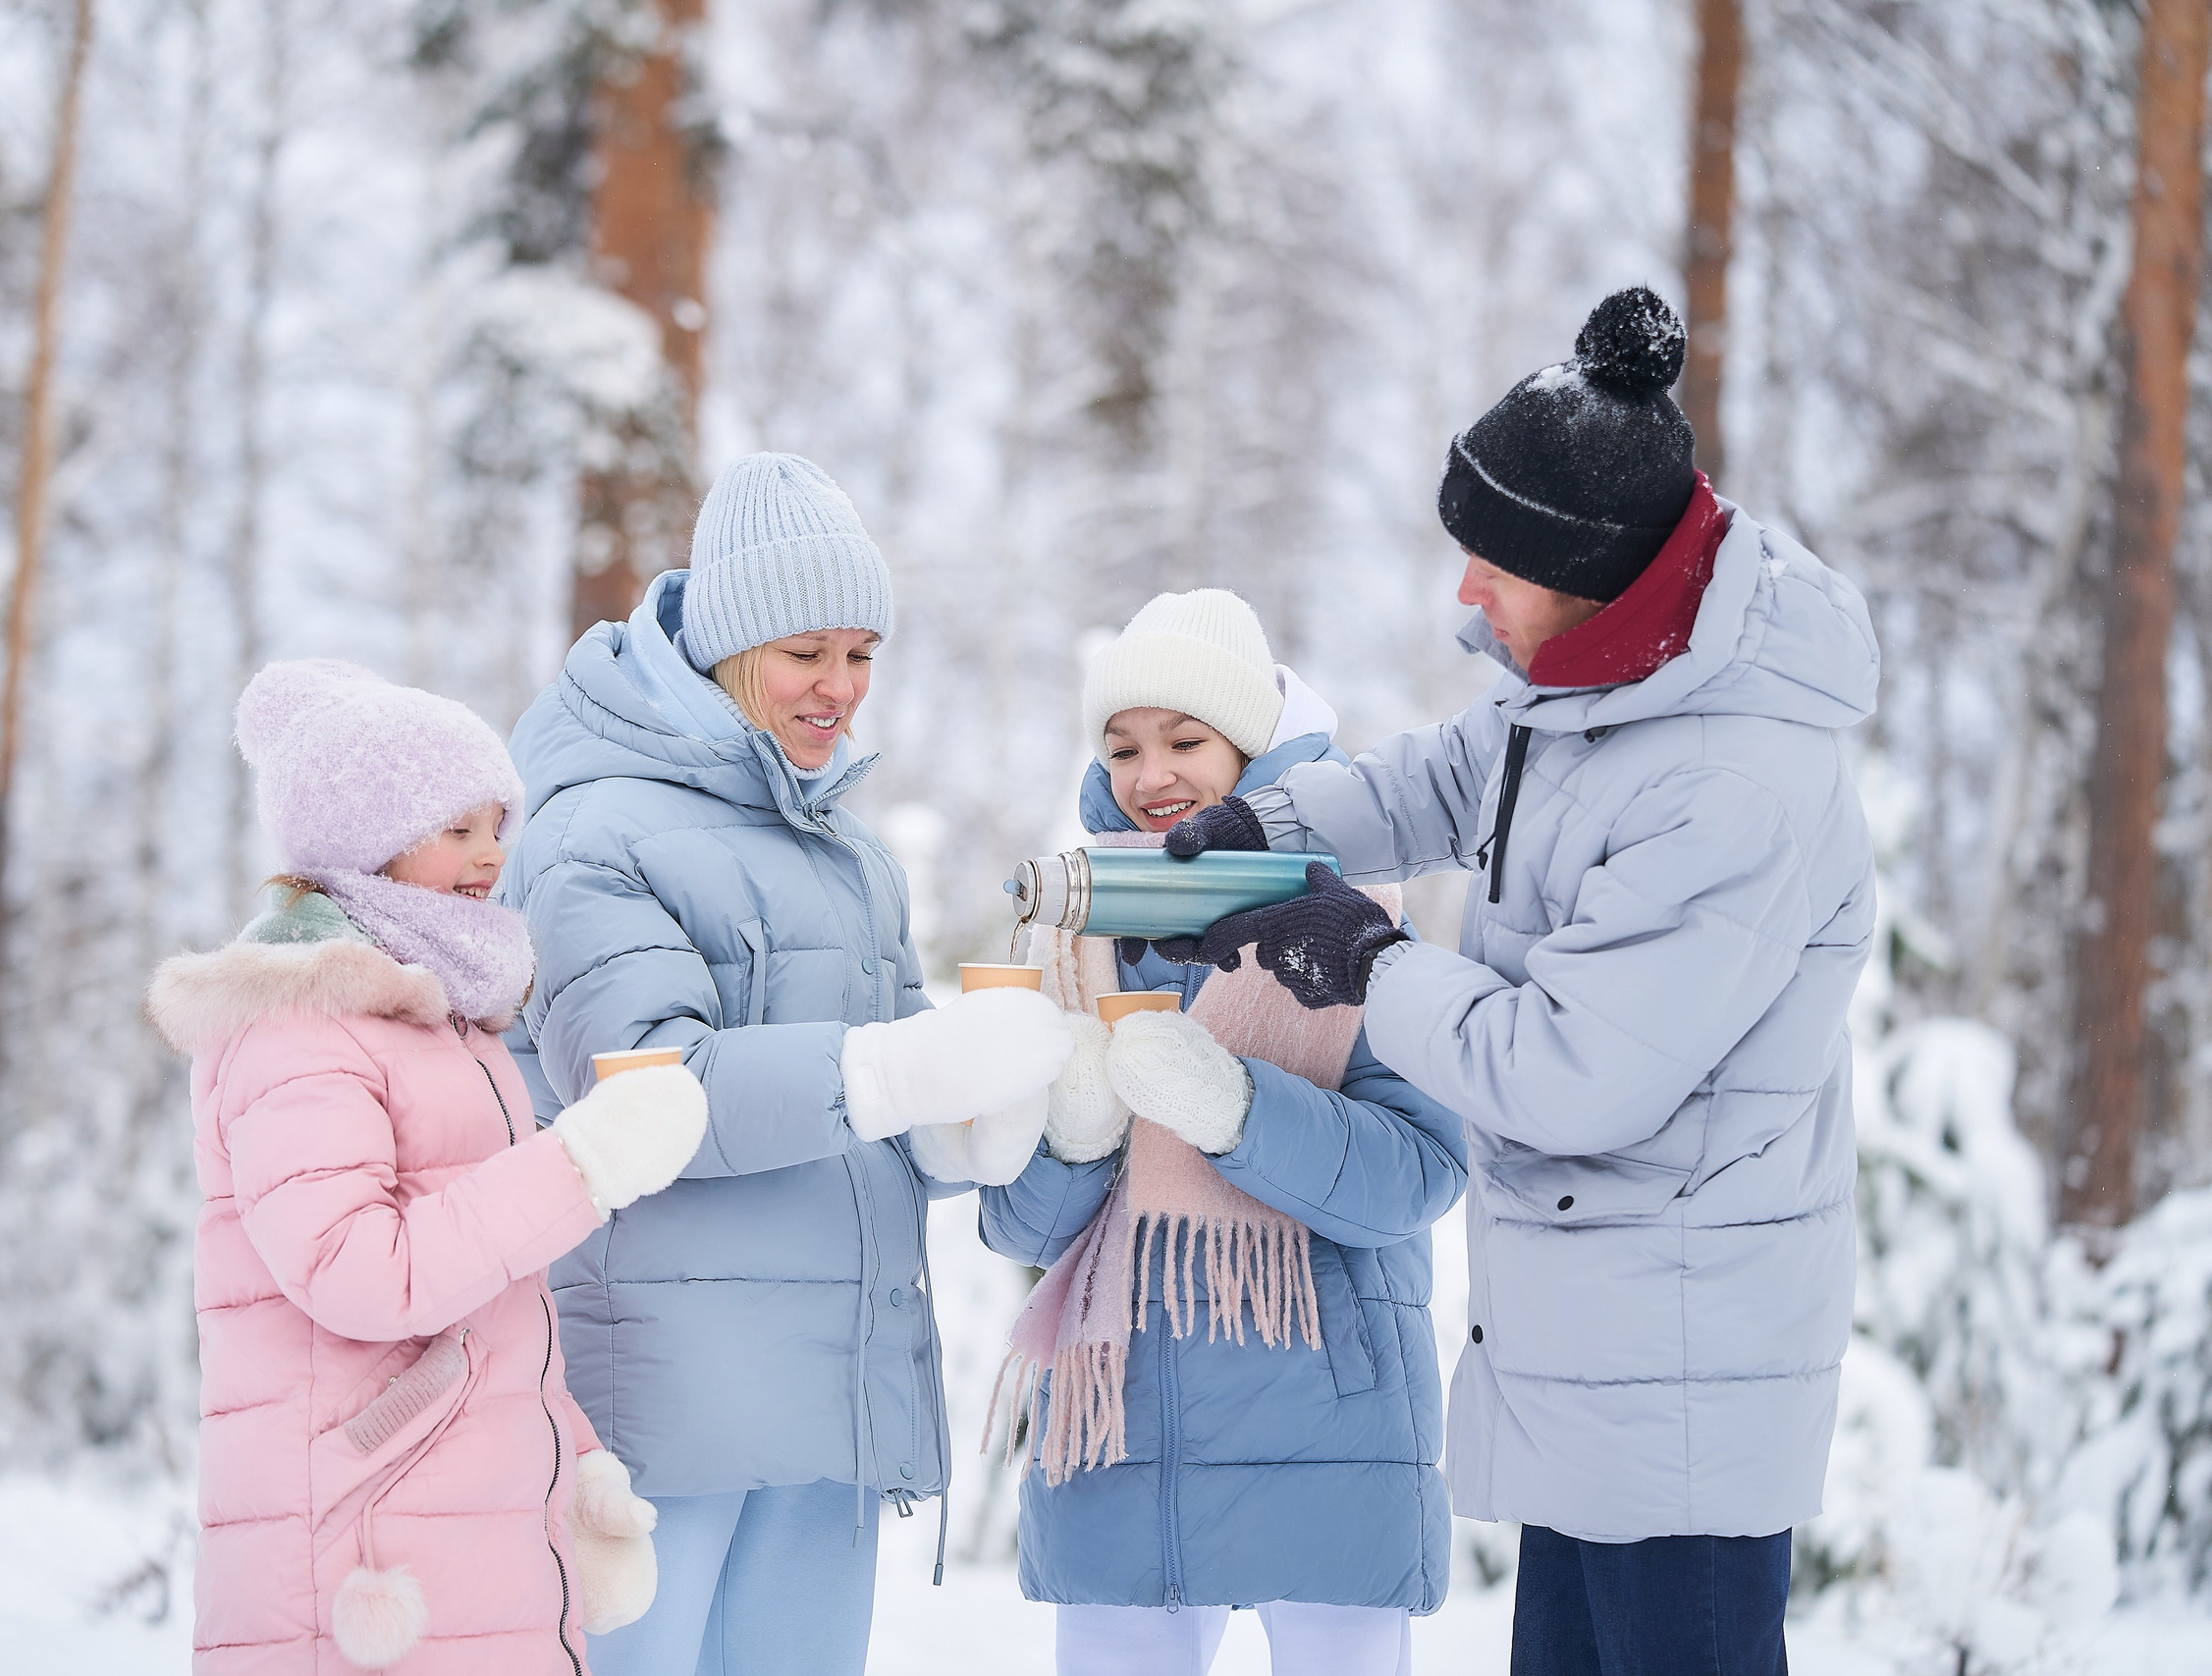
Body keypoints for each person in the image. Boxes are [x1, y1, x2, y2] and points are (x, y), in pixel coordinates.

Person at [1162, 288, 1879, 1676]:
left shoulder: (1728, 780)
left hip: (1680, 1365)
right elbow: (1447, 774)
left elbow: (1568, 1071)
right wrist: (1274, 826)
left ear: (1596, 567)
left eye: (1494, 562)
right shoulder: (1606, 683)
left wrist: (1365, 957)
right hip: (1598, 1351)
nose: (1465, 594)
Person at [498, 452, 1074, 1676]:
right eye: (808, 652)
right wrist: (895, 1076)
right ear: (725, 643)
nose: (841, 688)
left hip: (834, 1399)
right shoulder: (591, 828)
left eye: (862, 653)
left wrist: (962, 1130)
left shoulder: (845, 849)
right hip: (663, 1409)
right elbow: (643, 1097)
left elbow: (892, 1075)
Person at [149, 659, 712, 1674]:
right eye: (458, 829)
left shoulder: (444, 1021)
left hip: (454, 1532)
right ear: (368, 834)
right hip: (363, 1546)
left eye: (498, 826)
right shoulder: (299, 1025)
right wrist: (580, 1163)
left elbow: (484, 1300)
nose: (492, 856)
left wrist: (569, 1458)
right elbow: (358, 1272)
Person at [975, 589, 1468, 1676]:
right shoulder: (1072, 934)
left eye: (1185, 740)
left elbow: (1421, 1170)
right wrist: (1078, 1130)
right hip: (1121, 1436)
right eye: (1124, 747)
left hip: (1331, 1427)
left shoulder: (1353, 918)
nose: (1150, 775)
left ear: (1252, 748)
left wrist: (1234, 1110)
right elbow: (1015, 1226)